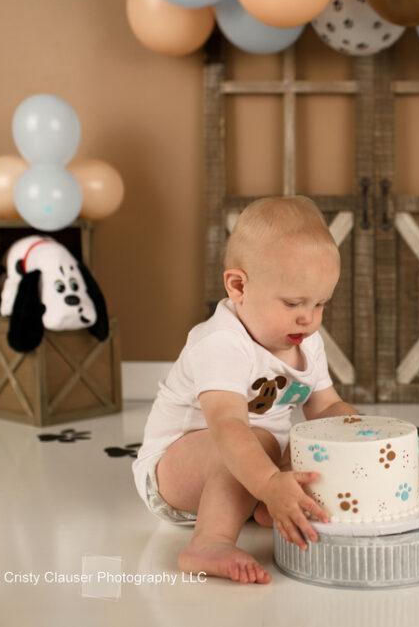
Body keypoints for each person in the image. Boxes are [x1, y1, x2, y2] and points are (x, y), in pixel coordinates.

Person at [132, 196, 358, 584]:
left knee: (306, 445)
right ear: (238, 286)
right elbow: (228, 426)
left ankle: (264, 505)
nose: (309, 318)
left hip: (255, 466)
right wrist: (269, 481)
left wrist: (356, 434)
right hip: (174, 469)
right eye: (293, 302)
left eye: (321, 303)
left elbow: (325, 406)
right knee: (260, 440)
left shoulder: (306, 341)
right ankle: (210, 541)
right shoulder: (220, 342)